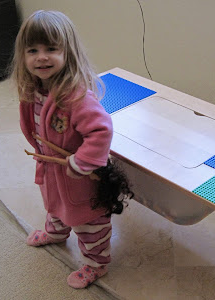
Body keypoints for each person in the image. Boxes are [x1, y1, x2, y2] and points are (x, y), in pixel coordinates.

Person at [10, 10, 129, 289]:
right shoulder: (36, 90)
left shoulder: (75, 96)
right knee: (54, 205)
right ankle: (56, 233)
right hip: (53, 171)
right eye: (33, 50)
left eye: (51, 49)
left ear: (68, 53)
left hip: (80, 178)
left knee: (89, 221)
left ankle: (96, 263)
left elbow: (102, 129)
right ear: (23, 56)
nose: (41, 57)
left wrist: (82, 162)